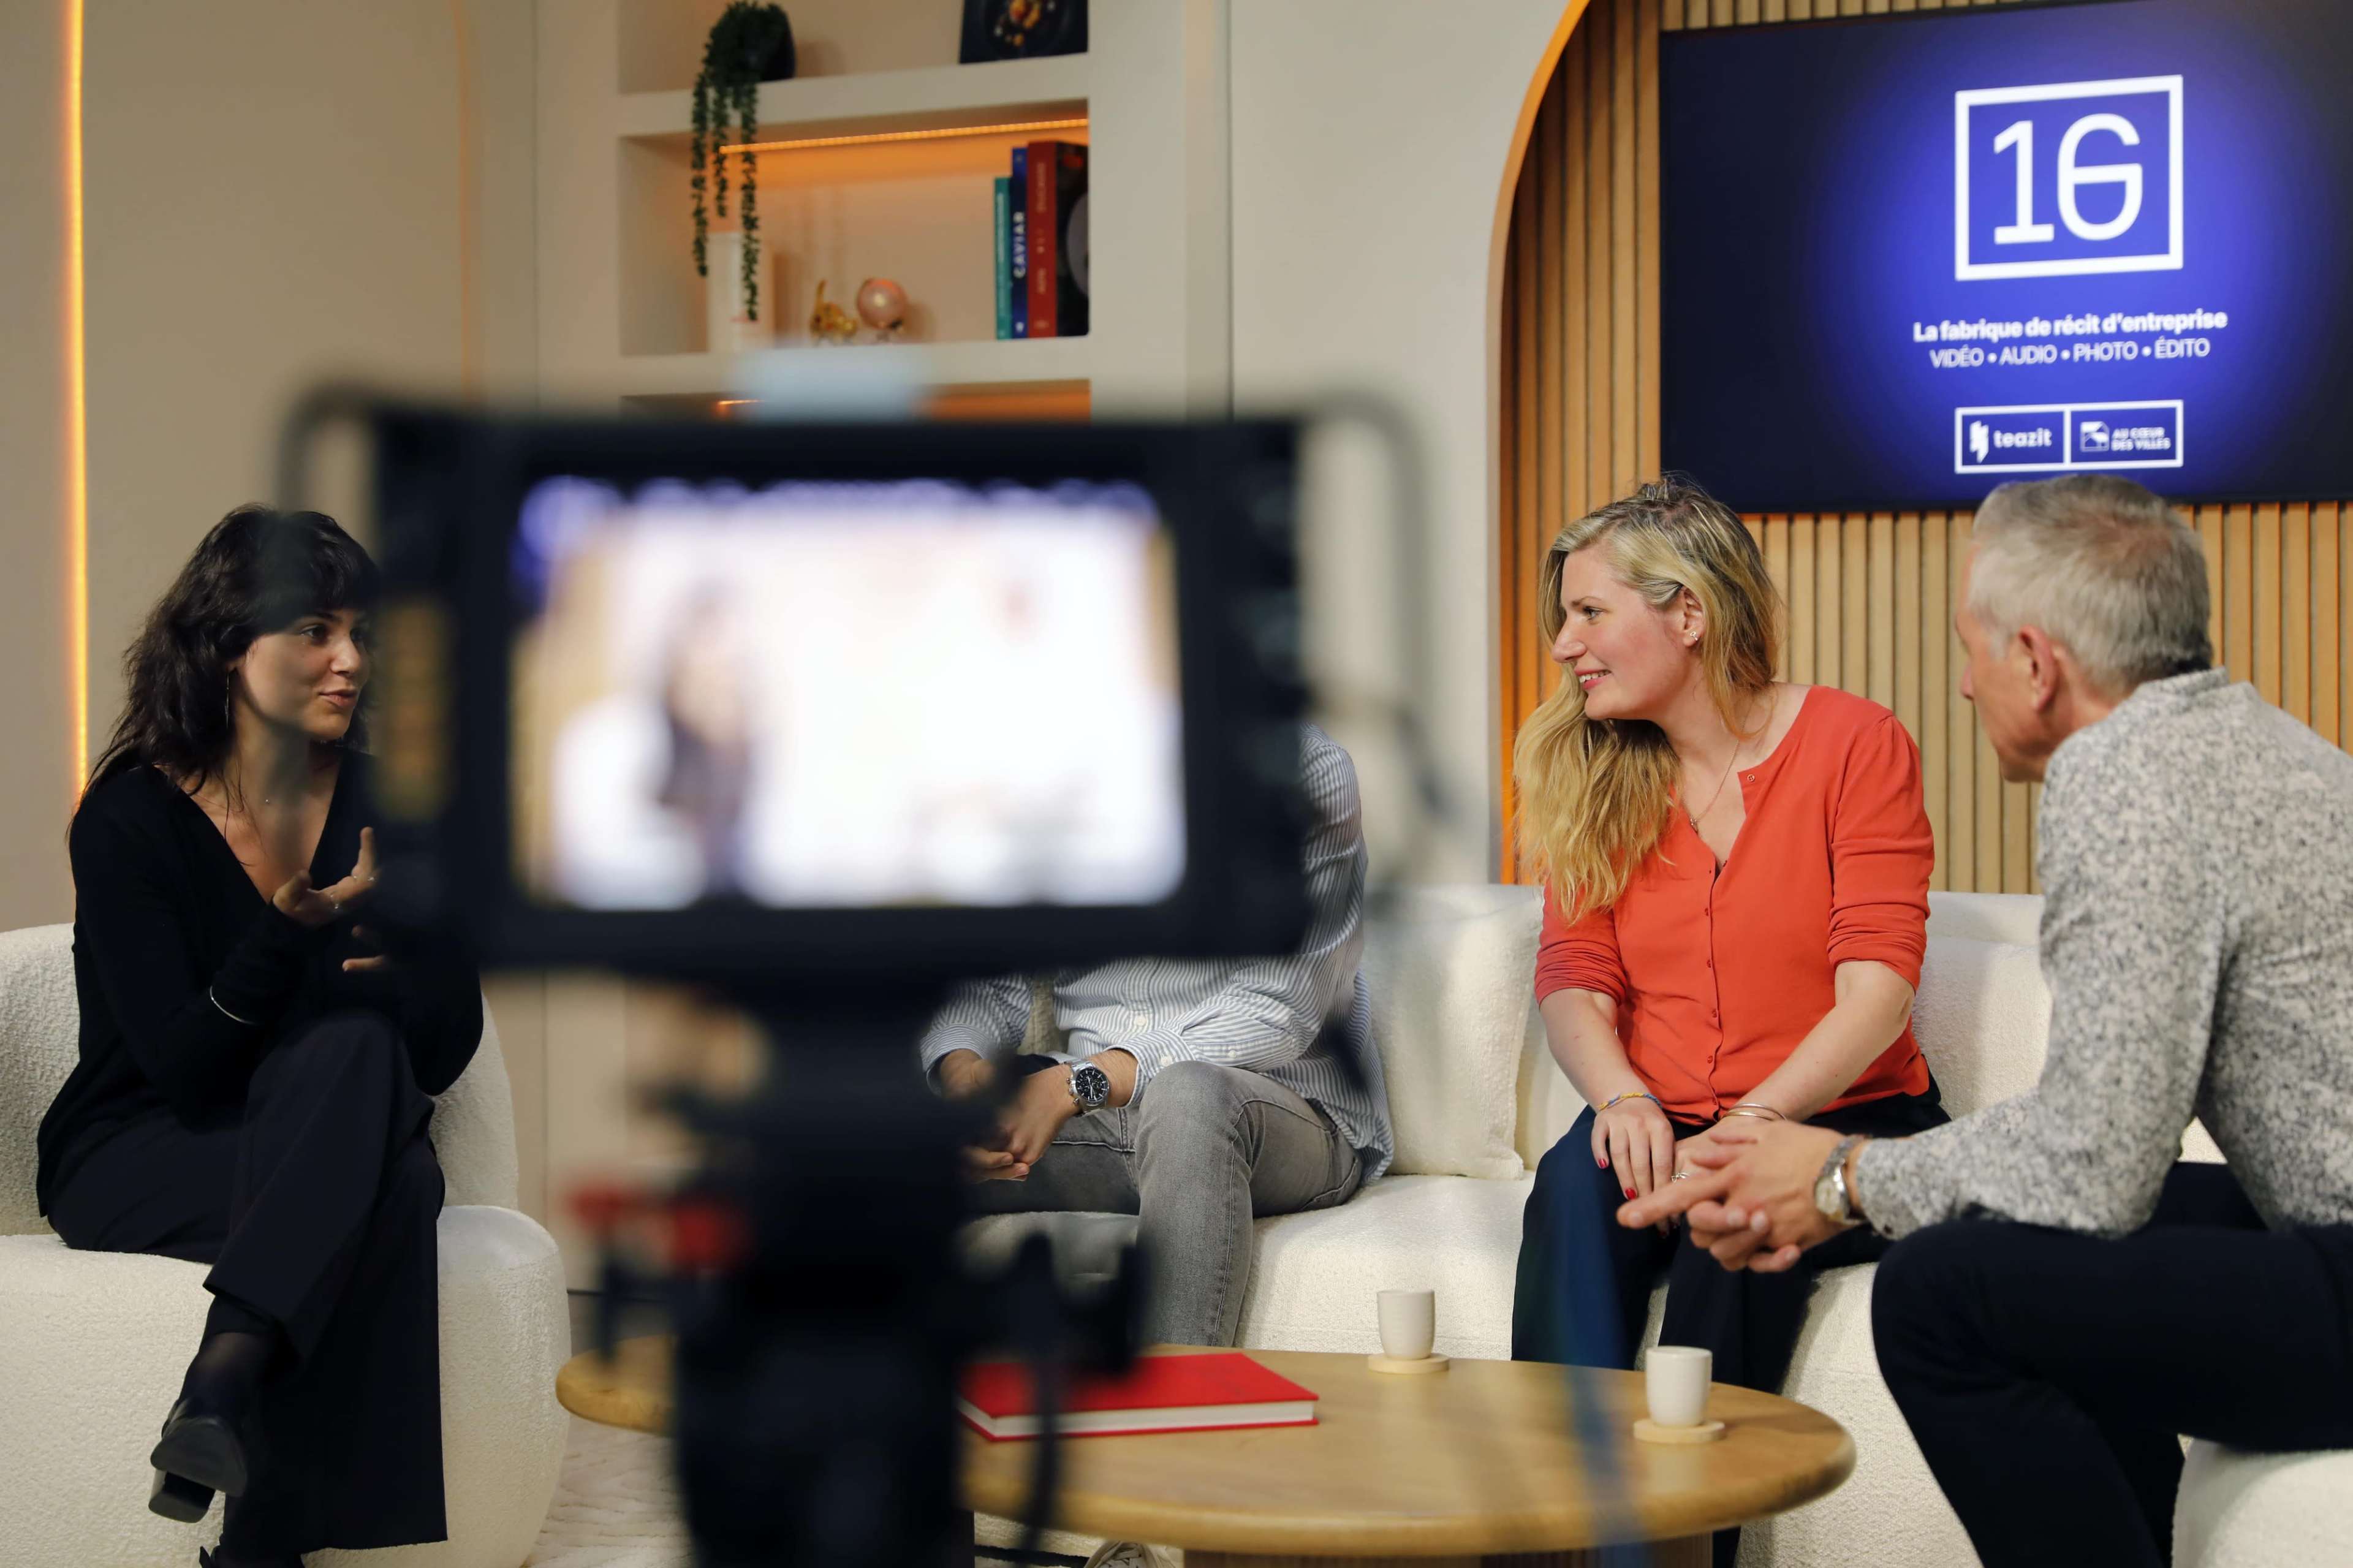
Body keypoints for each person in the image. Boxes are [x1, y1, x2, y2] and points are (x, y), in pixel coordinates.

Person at [1623, 474, 2353, 1568]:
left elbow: (2094, 1155)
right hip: (2319, 1225)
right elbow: (2109, 1148)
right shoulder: (2272, 745)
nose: (1964, 686)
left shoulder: (2125, 776)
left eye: (1972, 648)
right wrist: (1845, 1179)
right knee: (2018, 1238)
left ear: (2036, 660)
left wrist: (1841, 1180)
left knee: (1938, 1294)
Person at [1507, 478, 1948, 1561]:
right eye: (1563, 618)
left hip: (1844, 1116)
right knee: (1573, 1181)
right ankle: (1544, 1530)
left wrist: (1751, 1124)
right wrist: (1620, 1093)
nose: (1566, 644)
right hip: (1656, 1106)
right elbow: (1573, 974)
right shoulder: (1591, 764)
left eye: (1590, 613)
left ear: (1688, 614)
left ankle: (1683, 1544)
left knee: (1732, 1224)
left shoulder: (1855, 743)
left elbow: (1878, 985)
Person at [34, 506, 483, 1567]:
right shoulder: (129, 820)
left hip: (317, 1126)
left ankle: (219, 1391)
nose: (350, 661)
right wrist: (286, 933)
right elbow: (184, 1070)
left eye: (363, 635)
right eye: (318, 630)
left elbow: (445, 1043)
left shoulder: (395, 804)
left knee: (369, 1054)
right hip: (141, 1146)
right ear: (230, 644)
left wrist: (413, 971)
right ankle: (256, 1530)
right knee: (400, 1183)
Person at [919, 724, 1391, 1350]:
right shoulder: (1047, 773)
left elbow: (1282, 1005)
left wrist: (1075, 1083)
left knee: (1187, 1094)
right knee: (879, 1126)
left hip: (1278, 1108)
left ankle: (1177, 1413)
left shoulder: (1303, 768)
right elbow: (994, 983)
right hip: (1095, 1116)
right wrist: (962, 1075)